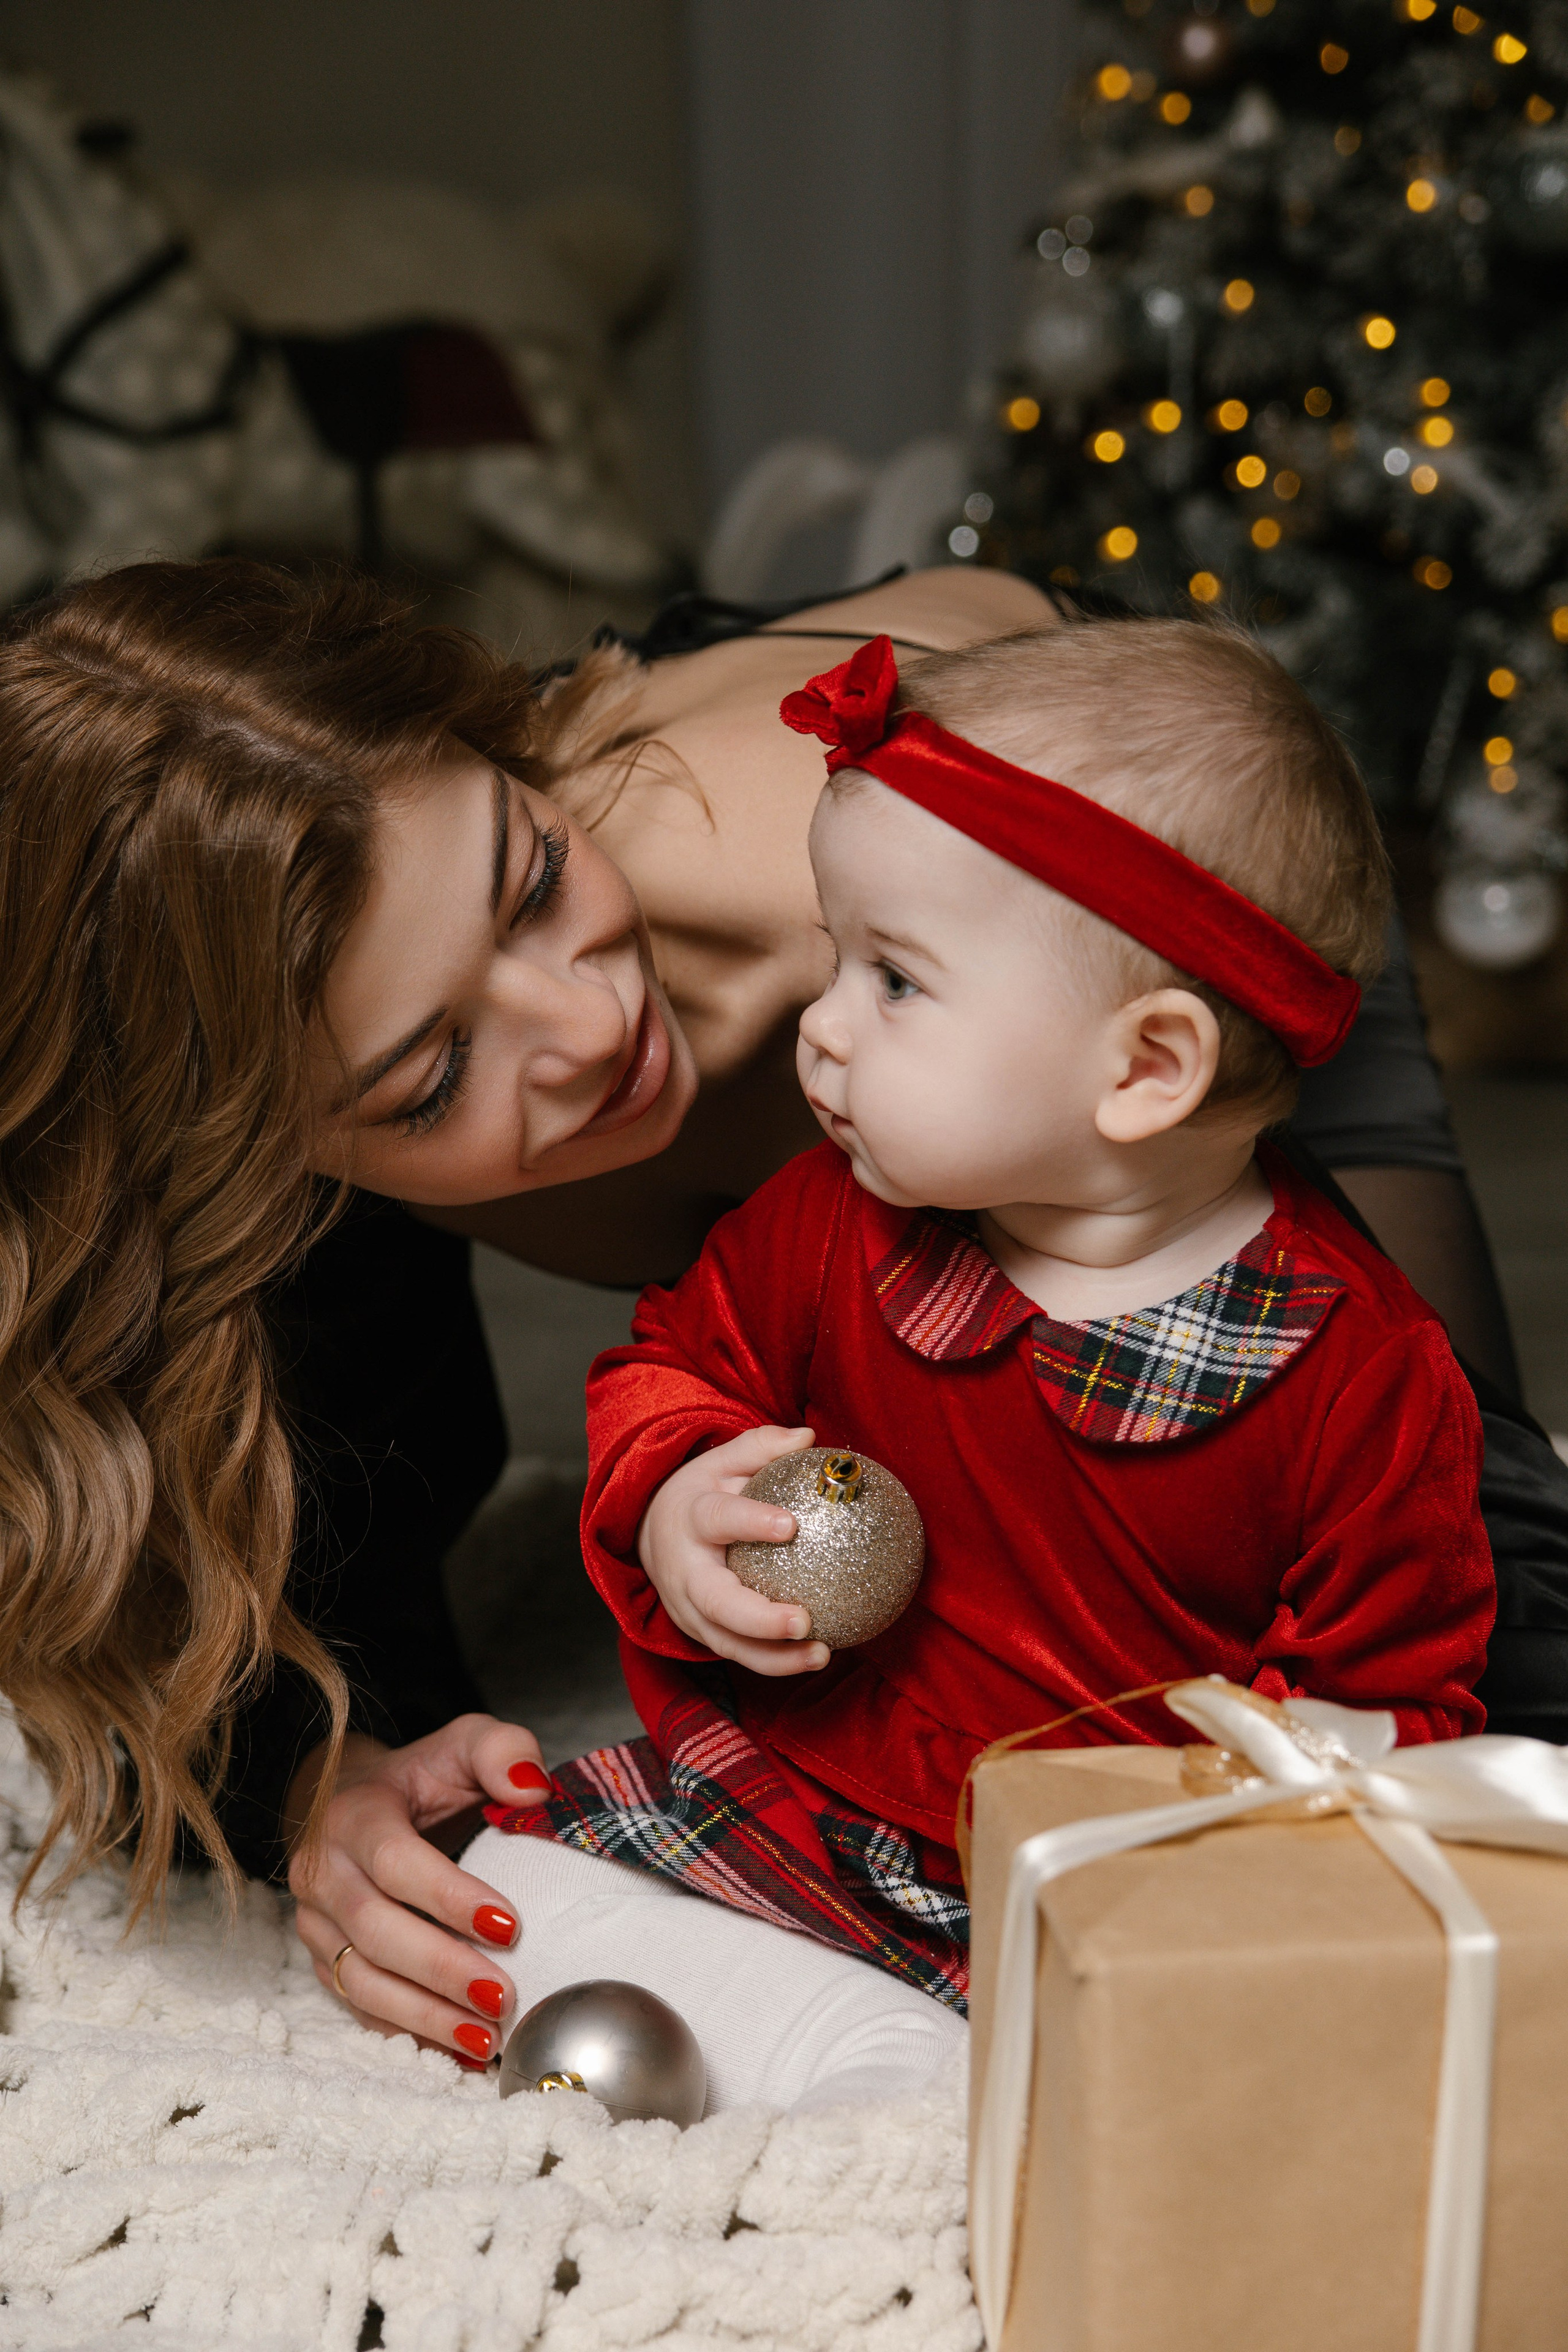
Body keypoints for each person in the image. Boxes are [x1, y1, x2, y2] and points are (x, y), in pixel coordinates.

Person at [0, 558, 1556, 2080]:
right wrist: (329, 1788)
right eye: (433, 1077)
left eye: (533, 881)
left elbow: (1413, 1651)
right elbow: (237, 1604)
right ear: (265, 1171)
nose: (589, 1022)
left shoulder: (920, 882)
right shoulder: (308, 1176)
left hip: (1165, 842)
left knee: (1507, 1602)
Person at [450, 622, 1492, 2102]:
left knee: (1246, 2043)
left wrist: (1249, 1832)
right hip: (814, 1787)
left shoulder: (1352, 1372)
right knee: (506, 1874)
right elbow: (675, 1358)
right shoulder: (830, 1226)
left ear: (1144, 1069)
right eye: (837, 957)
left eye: (894, 981)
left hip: (1096, 1881)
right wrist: (681, 1494)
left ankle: (907, 2067)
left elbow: (1391, 1701)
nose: (818, 1029)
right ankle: (840, 2026)